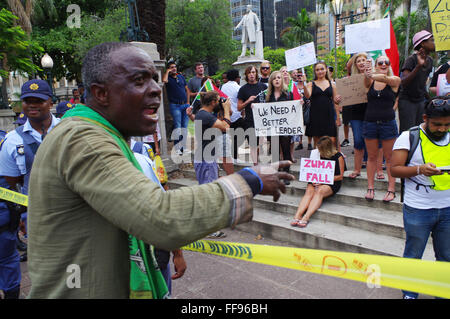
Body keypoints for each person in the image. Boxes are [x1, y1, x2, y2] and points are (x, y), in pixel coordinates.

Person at [26, 42, 294, 298]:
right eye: (140, 80)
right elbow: (160, 217)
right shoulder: (84, 139)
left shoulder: (100, 135)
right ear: (100, 93)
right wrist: (249, 180)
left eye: (155, 79)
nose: (156, 89)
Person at [0, 79, 60, 299]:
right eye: (27, 101)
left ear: (50, 102)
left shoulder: (67, 129)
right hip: (37, 217)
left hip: (73, 210)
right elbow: (12, 181)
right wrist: (23, 215)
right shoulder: (11, 141)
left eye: (38, 101)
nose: (32, 105)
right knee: (46, 270)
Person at [391, 96, 450, 299]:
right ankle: (410, 293)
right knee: (414, 254)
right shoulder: (408, 137)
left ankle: (441, 291)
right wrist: (419, 169)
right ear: (425, 118)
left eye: (447, 125)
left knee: (446, 256)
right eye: (437, 125)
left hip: (447, 208)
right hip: (418, 208)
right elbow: (395, 170)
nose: (442, 129)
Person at [130, 139, 186, 295]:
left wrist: (177, 253)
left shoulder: (142, 154)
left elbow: (162, 202)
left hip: (152, 251)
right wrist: (178, 254)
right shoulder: (141, 157)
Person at [362, 56, 401, 202]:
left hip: (388, 123)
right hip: (370, 122)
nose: (384, 64)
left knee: (389, 158)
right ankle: (370, 187)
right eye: (380, 62)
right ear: (376, 65)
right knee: (371, 157)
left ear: (390, 65)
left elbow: (387, 80)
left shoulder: (395, 79)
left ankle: (391, 189)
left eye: (386, 62)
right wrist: (367, 73)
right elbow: (366, 83)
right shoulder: (370, 80)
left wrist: (371, 73)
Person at [291, 136, 345, 228]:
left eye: (320, 149)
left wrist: (323, 180)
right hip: (317, 179)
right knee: (309, 191)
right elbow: (311, 170)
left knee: (319, 191)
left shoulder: (338, 156)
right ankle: (298, 215)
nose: (318, 151)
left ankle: (306, 217)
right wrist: (313, 180)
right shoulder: (316, 154)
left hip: (332, 181)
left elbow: (340, 177)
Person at [398, 30, 435, 133]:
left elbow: (421, 84)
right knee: (408, 133)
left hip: (420, 101)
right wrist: (418, 66)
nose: (434, 43)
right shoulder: (411, 59)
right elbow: (403, 82)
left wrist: (430, 99)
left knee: (420, 131)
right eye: (431, 40)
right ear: (423, 43)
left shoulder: (430, 61)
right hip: (407, 101)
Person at [264, 71, 295, 184]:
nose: (277, 80)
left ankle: (286, 174)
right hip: (272, 128)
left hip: (285, 127)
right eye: (274, 78)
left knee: (286, 150)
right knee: (275, 151)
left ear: (282, 80)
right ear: (271, 81)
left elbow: (293, 109)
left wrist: (299, 103)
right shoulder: (268, 96)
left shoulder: (288, 94)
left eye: (278, 78)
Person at [303, 61, 340, 147]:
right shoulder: (311, 84)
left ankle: (331, 160)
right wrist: (304, 84)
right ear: (315, 72)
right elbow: (307, 95)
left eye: (322, 69)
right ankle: (318, 160)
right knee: (317, 142)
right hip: (316, 115)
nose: (320, 71)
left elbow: (336, 102)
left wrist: (338, 118)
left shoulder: (332, 84)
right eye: (317, 70)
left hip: (329, 115)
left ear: (326, 70)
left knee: (332, 140)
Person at [237, 66, 267, 165]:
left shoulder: (263, 87)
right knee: (253, 144)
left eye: (253, 72)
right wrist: (248, 101)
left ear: (256, 73)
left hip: (263, 120)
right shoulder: (243, 89)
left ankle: (258, 160)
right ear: (246, 75)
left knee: (260, 143)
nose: (251, 74)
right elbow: (239, 107)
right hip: (250, 120)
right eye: (249, 72)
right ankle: (255, 164)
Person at [162, 62, 190, 155]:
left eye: (175, 67)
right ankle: (177, 147)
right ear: (169, 69)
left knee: (184, 127)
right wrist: (167, 72)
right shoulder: (168, 78)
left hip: (184, 105)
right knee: (177, 126)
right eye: (171, 67)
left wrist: (188, 102)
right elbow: (164, 81)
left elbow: (187, 89)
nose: (174, 68)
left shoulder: (181, 77)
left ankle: (183, 147)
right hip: (175, 106)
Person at [221, 69, 245, 162]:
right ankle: (234, 157)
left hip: (227, 115)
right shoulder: (238, 87)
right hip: (237, 115)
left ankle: (232, 156)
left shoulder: (223, 87)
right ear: (236, 78)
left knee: (232, 136)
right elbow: (241, 100)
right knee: (239, 136)